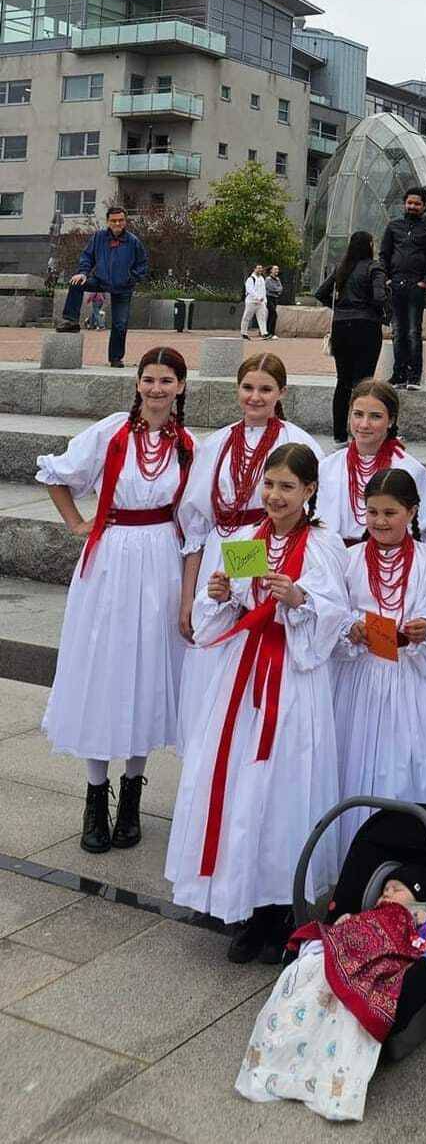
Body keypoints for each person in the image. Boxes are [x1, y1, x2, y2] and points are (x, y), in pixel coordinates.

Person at [165, 443, 349, 964]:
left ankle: (282, 907)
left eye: (287, 487)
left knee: (284, 785)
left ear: (309, 491)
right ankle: (245, 902)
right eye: (269, 485)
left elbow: (334, 614)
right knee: (241, 781)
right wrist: (220, 594)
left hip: (292, 677)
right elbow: (219, 614)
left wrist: (301, 600)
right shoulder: (246, 539)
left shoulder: (322, 545)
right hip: (243, 678)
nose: (274, 495)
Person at [37, 347, 195, 855]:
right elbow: (56, 476)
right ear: (137, 383)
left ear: (181, 387)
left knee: (147, 672)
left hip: (162, 561)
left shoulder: (189, 445)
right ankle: (95, 795)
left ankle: (132, 795)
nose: (156, 389)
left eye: (166, 380)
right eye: (148, 379)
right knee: (106, 670)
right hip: (111, 562)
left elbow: (198, 515)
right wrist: (77, 524)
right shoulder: (111, 433)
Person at [176, 354, 323, 746]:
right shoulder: (217, 442)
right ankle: (208, 752)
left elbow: (313, 514)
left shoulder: (296, 441)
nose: (255, 397)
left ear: (281, 393)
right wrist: (188, 596)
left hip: (271, 546)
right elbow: (196, 525)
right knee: (212, 653)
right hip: (222, 551)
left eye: (265, 389)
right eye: (247, 388)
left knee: (254, 642)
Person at [236, 863, 426, 1122]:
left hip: (382, 953)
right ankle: (283, 1056)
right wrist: (345, 926)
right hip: (348, 946)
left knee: (348, 1009)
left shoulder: (415, 918)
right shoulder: (373, 912)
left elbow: (419, 943)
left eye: (396, 889)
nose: (386, 894)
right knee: (308, 977)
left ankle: (323, 1074)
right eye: (384, 890)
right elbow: (352, 927)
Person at [332, 469, 426, 858]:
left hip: (408, 678)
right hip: (359, 679)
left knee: (402, 768)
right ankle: (350, 863)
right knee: (353, 765)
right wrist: (350, 630)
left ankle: (404, 866)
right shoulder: (350, 559)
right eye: (371, 512)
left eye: (390, 513)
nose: (379, 521)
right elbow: (334, 612)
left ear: (411, 513)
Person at [316, 379, 426, 542]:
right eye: (358, 414)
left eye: (375, 416)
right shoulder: (328, 467)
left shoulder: (410, 470)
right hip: (334, 558)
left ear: (391, 420)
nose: (364, 424)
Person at [315, 232, 388, 442]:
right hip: (366, 326)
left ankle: (339, 434)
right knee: (364, 383)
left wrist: (340, 307)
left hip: (341, 327)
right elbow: (379, 296)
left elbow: (321, 293)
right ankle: (361, 433)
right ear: (370, 245)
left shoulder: (342, 268)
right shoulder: (374, 267)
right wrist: (378, 311)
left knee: (343, 382)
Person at [57, 204, 148, 369]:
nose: (117, 224)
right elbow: (87, 256)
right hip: (100, 280)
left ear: (125, 221)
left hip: (123, 287)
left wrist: (131, 278)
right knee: (76, 282)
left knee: (120, 324)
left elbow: (142, 264)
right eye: (114, 221)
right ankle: (71, 321)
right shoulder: (99, 237)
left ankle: (115, 358)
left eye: (121, 220)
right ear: (108, 222)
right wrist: (83, 272)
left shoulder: (133, 241)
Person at [379, 187, 426, 390]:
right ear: (404, 204)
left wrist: (425, 281)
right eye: (410, 203)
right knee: (398, 331)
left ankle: (414, 376)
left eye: (417, 204)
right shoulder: (393, 226)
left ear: (424, 206)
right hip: (396, 285)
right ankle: (398, 374)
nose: (413, 207)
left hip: (417, 286)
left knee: (414, 331)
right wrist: (387, 279)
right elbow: (384, 254)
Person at [241, 264, 269, 340]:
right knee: (247, 317)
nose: (260, 270)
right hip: (251, 302)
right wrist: (257, 297)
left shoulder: (262, 278)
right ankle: (244, 333)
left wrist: (265, 300)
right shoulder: (250, 279)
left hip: (261, 303)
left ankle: (264, 333)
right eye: (258, 268)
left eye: (261, 268)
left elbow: (264, 290)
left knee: (262, 317)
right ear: (254, 269)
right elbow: (250, 290)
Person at [264, 266, 283, 339]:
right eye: (275, 269)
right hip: (269, 298)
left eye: (277, 269)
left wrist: (278, 290)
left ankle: (269, 332)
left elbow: (281, 288)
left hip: (275, 298)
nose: (277, 270)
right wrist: (277, 290)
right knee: (274, 313)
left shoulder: (278, 279)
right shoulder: (268, 279)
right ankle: (270, 332)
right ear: (271, 271)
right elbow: (271, 288)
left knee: (271, 315)